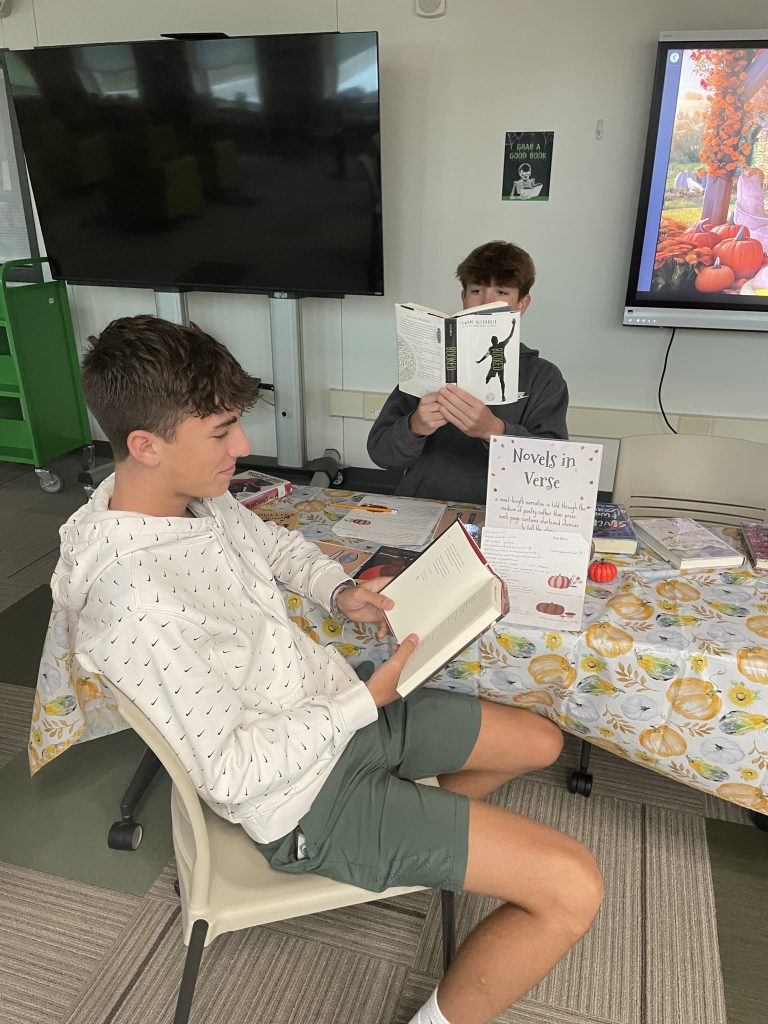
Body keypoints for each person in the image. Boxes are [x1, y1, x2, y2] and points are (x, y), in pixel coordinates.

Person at [52, 315, 601, 1024]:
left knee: (543, 740)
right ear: (144, 446)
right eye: (222, 432)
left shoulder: (197, 499)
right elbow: (231, 774)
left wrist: (338, 591)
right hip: (302, 797)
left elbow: (274, 548)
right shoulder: (136, 602)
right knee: (573, 886)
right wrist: (360, 704)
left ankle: (419, 828)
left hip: (338, 715)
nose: (244, 447)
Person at [368, 240, 569, 503]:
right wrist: (414, 427)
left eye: (501, 292)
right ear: (463, 298)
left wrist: (494, 430)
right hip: (423, 507)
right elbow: (381, 454)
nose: (486, 303)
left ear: (522, 303)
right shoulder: (430, 362)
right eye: (476, 291)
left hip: (503, 514)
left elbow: (555, 468)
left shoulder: (543, 378)